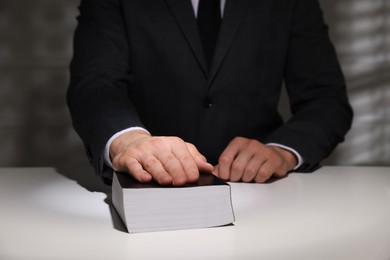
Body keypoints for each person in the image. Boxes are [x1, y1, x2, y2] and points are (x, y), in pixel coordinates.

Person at [67, 0, 353, 186]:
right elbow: (96, 83)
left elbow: (326, 100)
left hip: (262, 189)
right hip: (150, 185)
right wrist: (129, 140)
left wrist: (283, 151)